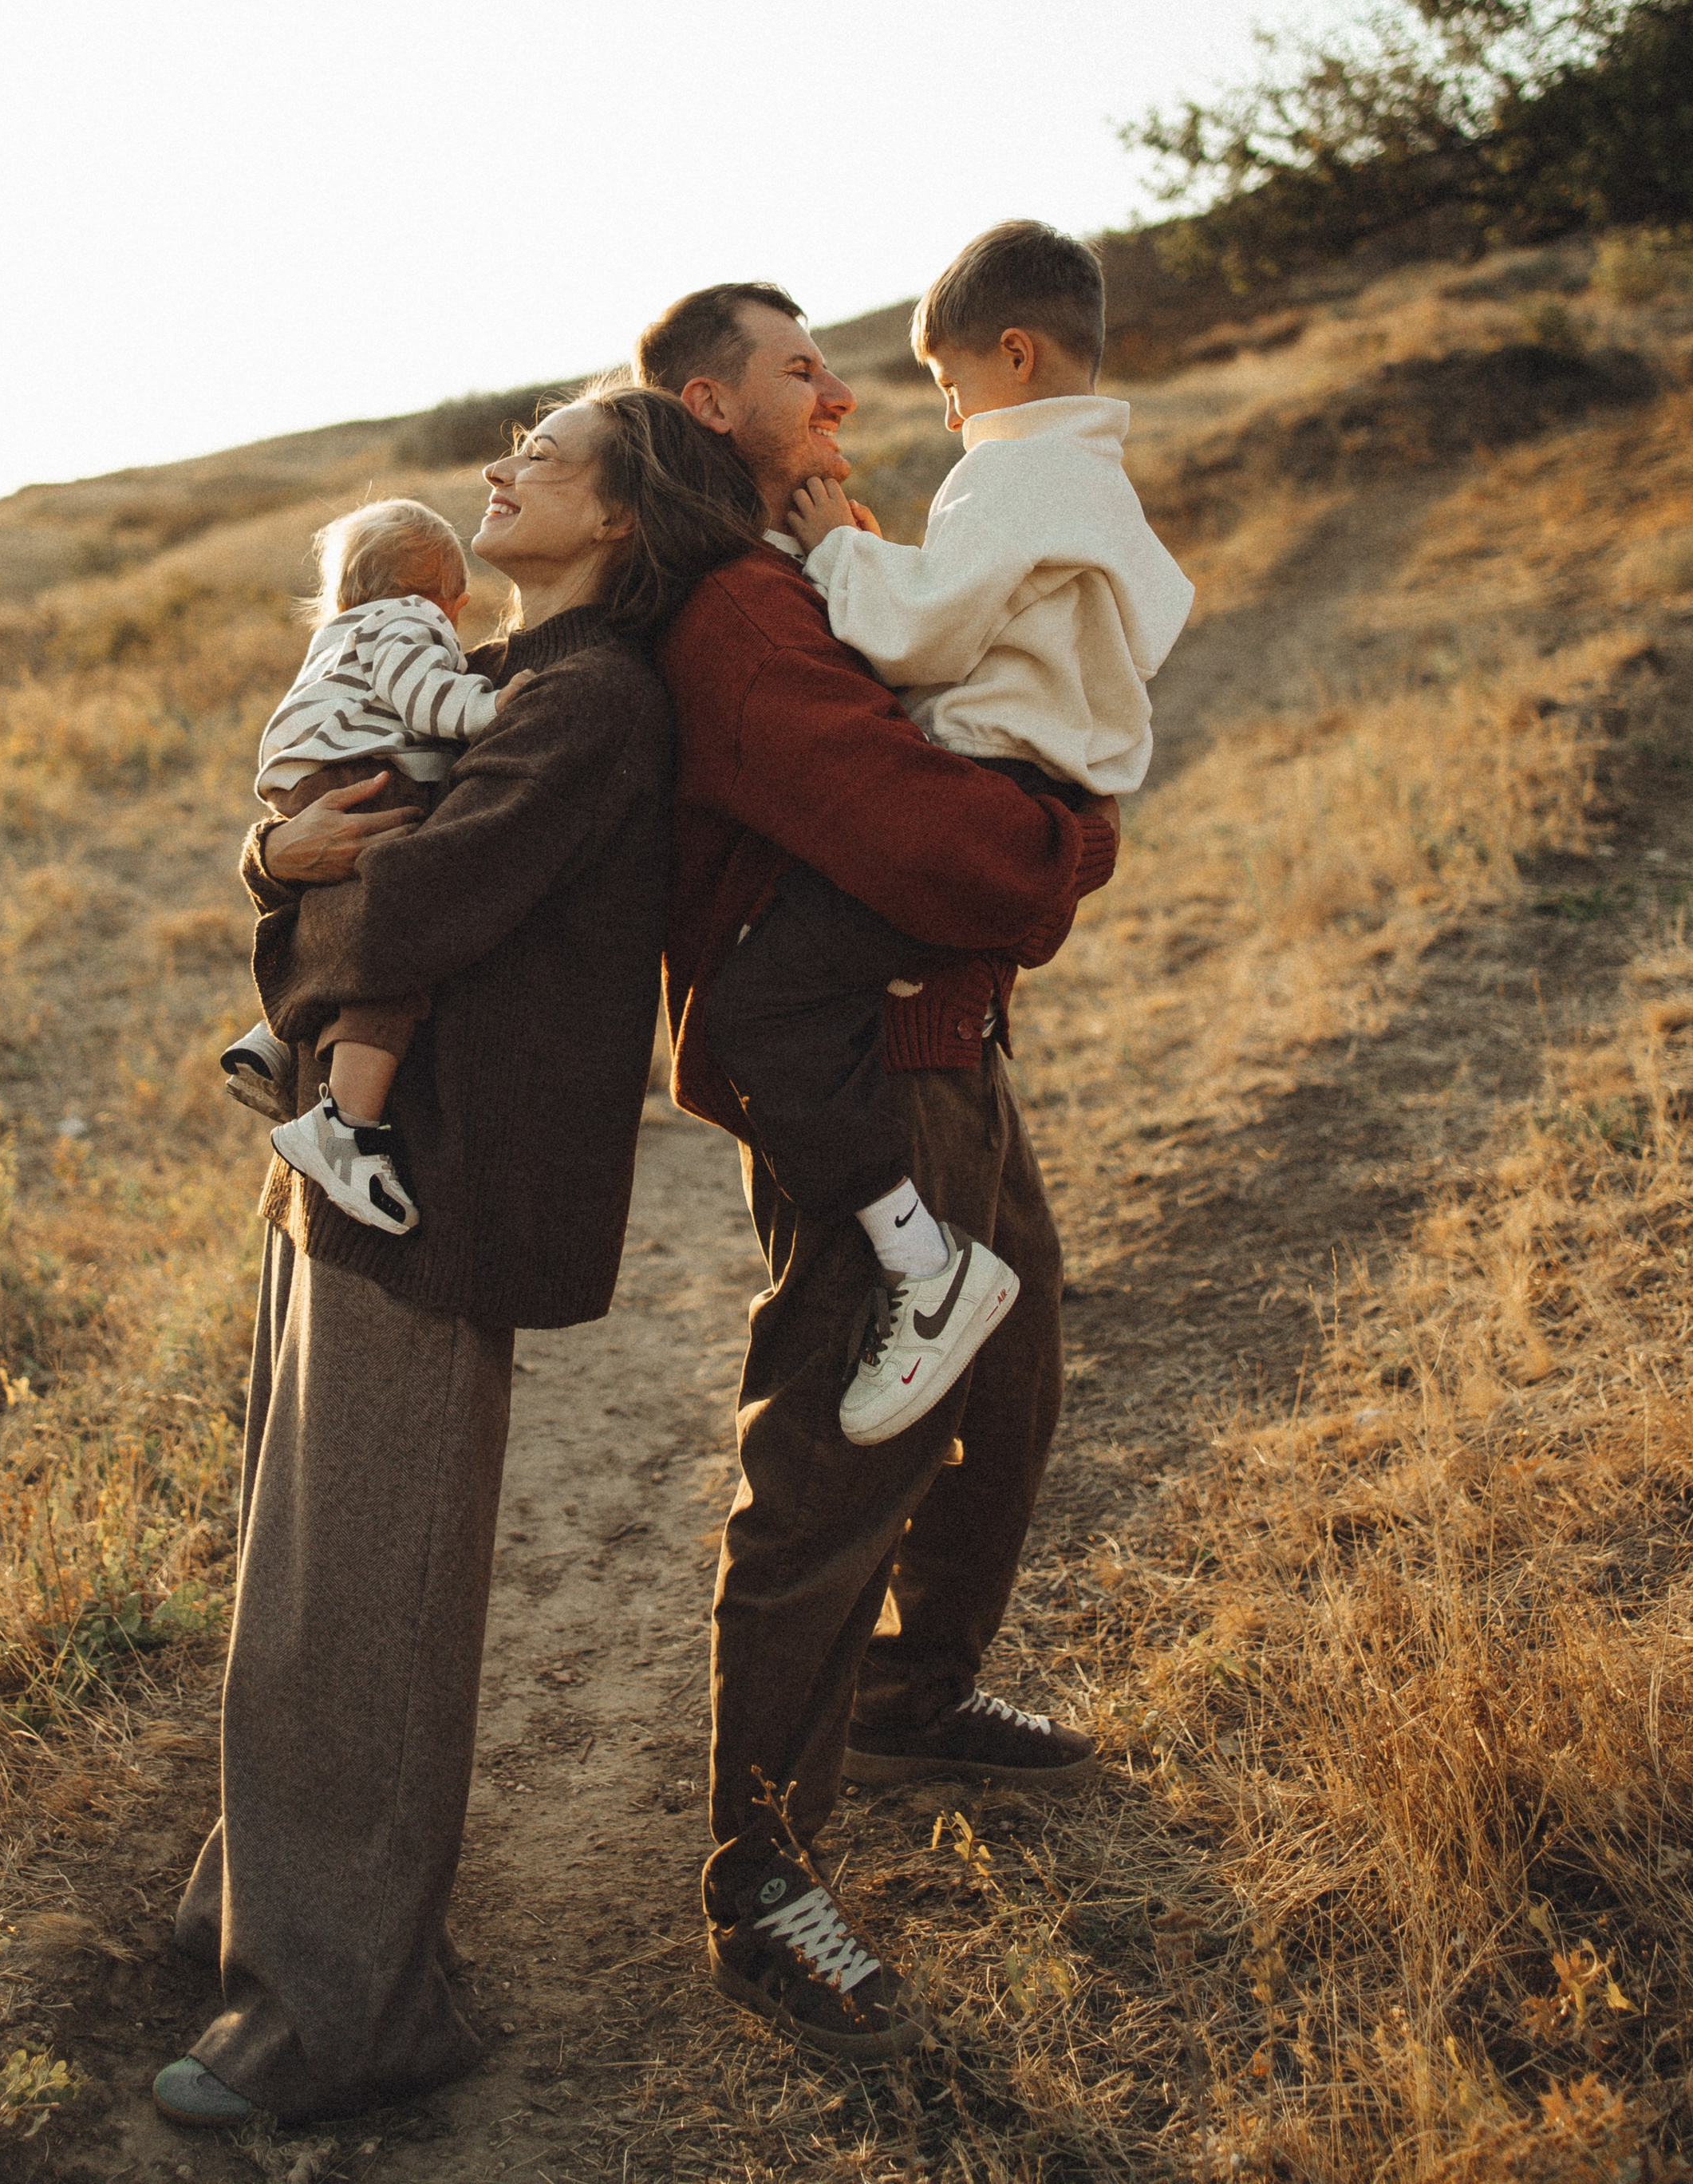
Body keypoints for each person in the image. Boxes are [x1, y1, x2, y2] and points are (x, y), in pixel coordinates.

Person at [155, 388, 766, 2133]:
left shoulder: (588, 701)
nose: (497, 473)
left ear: (621, 520)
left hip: (443, 1189)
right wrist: (274, 848)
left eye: (542, 458)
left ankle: (349, 2008)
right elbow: (333, 843)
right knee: (296, 1571)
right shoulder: (497, 684)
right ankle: (254, 1907)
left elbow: (412, 908)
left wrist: (291, 870)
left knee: (364, 1591)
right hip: (358, 1170)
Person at [637, 280, 1120, 2064]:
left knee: (1011, 1379)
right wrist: (1070, 842)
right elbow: (942, 842)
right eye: (794, 366)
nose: (835, 384)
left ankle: (921, 1697)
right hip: (857, 1087)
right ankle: (761, 1882)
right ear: (706, 409)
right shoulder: (744, 617)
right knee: (833, 1468)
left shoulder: (817, 569)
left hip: (951, 1051)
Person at [704, 220, 1193, 1447]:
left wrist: (835, 553)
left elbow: (923, 635)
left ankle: (922, 1268)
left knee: (752, 1012)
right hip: (1033, 785)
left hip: (977, 784)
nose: (940, 406)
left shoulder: (1011, 474)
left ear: (1014, 356)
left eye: (948, 379)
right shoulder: (1093, 480)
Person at [217, 492, 531, 1236]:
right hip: (364, 766)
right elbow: (423, 695)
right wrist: (491, 710)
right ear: (444, 601)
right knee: (398, 931)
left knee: (343, 904)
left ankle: (276, 1036)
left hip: (308, 773)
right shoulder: (408, 620)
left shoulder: (339, 633)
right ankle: (343, 1123)